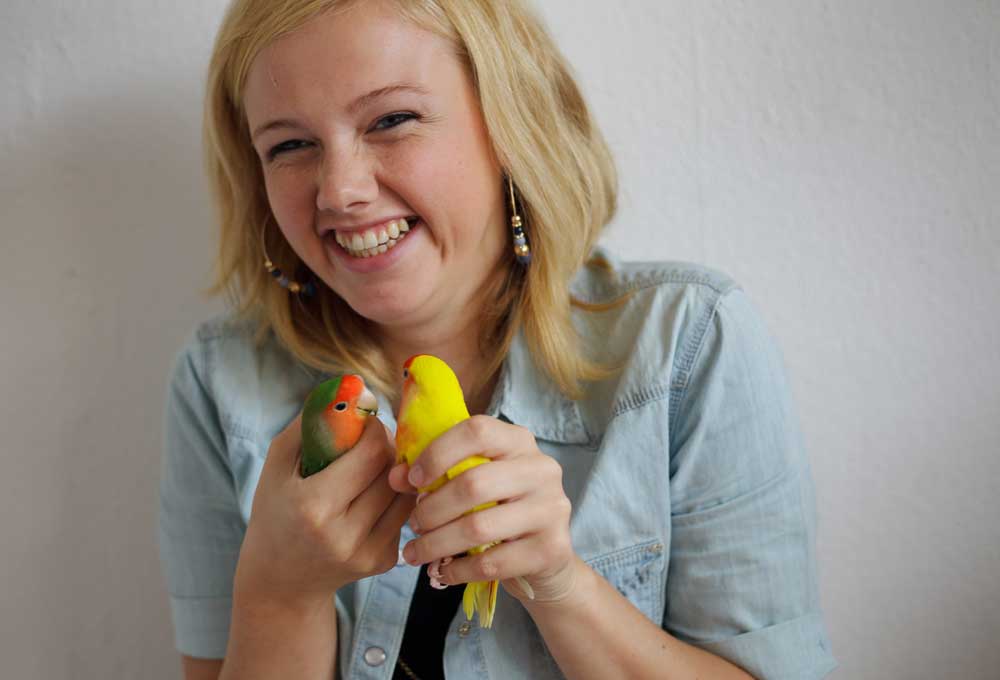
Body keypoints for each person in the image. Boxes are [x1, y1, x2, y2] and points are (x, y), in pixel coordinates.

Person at [158, 0, 838, 678]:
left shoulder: (689, 344)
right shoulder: (221, 383)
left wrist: (561, 585)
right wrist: (280, 592)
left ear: (514, 124)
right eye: (289, 146)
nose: (340, 191)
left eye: (392, 120)